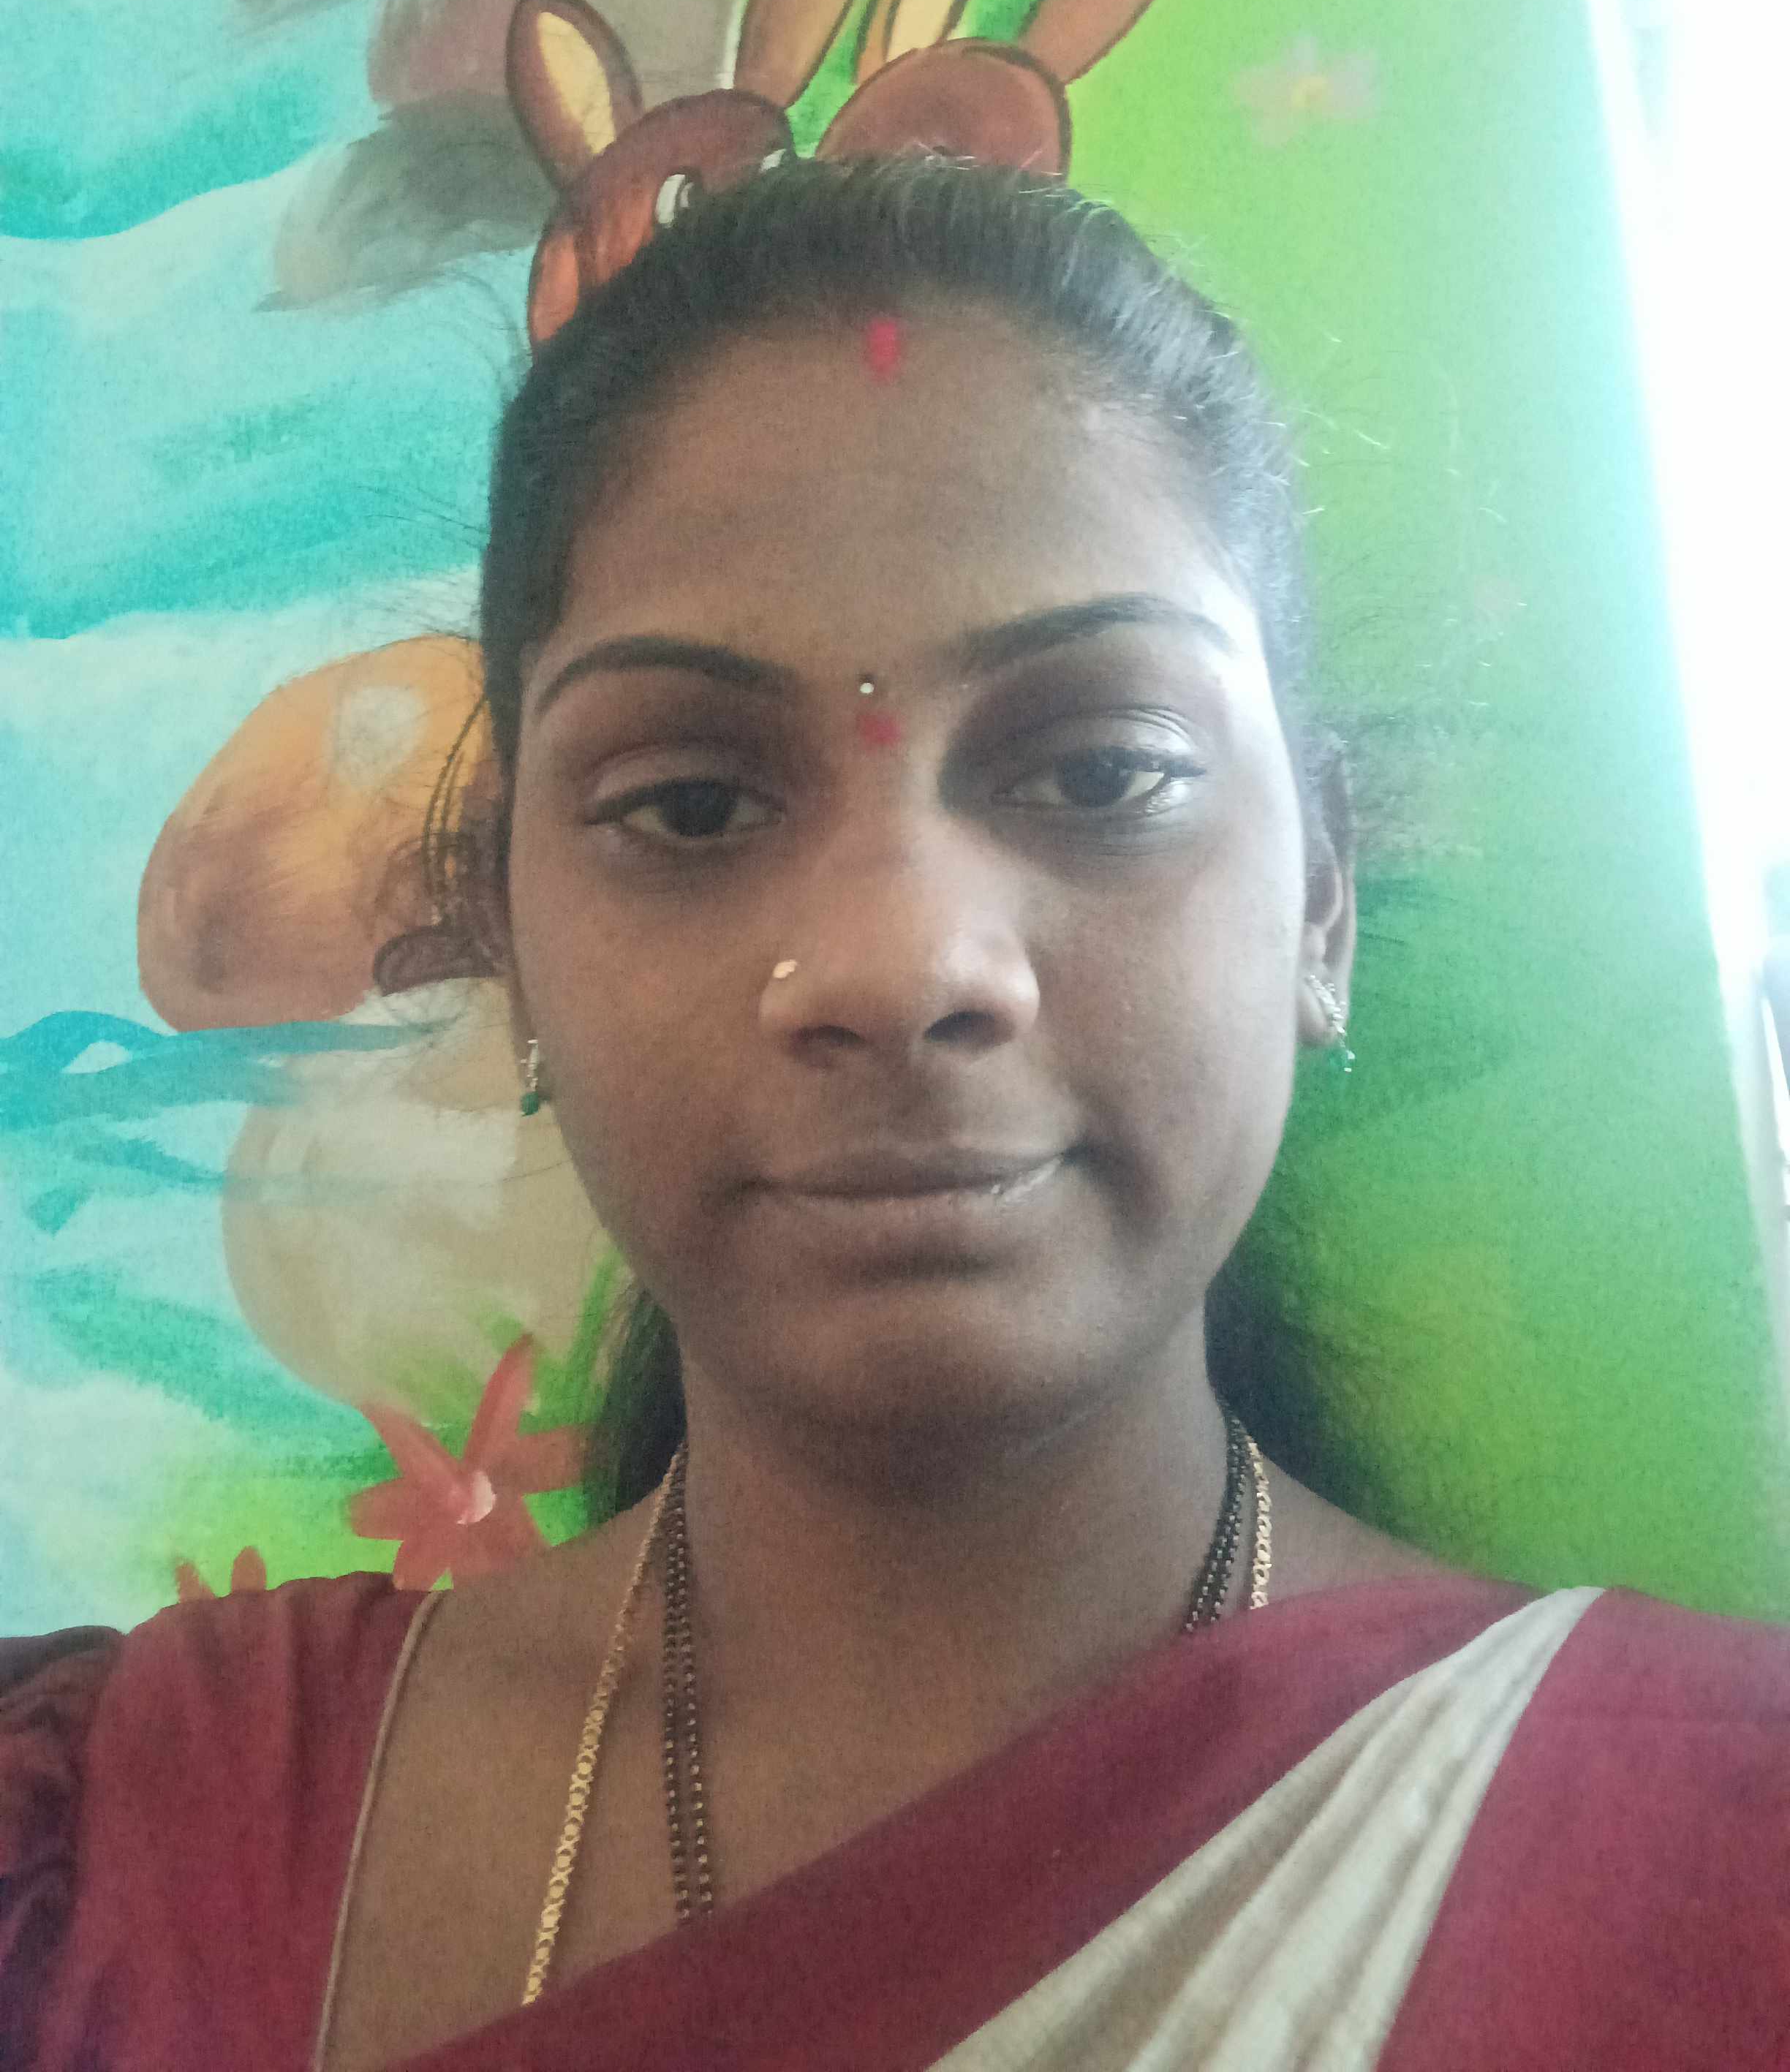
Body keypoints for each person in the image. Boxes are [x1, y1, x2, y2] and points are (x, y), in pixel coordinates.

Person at [2, 157, 1786, 2072]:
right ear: (506, 932)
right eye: (691, 805)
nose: (899, 961)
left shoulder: (1717, 1860)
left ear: (1321, 900)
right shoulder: (125, 1860)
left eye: (1100, 770)